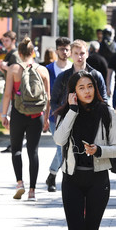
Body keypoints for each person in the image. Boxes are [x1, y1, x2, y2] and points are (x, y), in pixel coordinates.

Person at [52, 71, 116, 230]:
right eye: (81, 87)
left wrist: (99, 150)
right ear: (74, 92)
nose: (87, 91)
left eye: (90, 86)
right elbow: (59, 140)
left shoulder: (107, 112)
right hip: (72, 179)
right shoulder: (67, 113)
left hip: (98, 180)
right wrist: (72, 110)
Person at [46, 40, 108, 192]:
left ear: (87, 54)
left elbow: (104, 100)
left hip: (89, 121)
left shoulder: (95, 75)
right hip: (66, 121)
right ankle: (63, 180)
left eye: (82, 53)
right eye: (76, 54)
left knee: (86, 153)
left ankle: (86, 184)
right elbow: (53, 100)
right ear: (71, 55)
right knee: (64, 151)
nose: (79, 57)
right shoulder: (64, 77)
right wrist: (63, 115)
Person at [0, 37, 52, 201]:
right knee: (33, 151)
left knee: (16, 149)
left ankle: (20, 183)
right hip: (36, 115)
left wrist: (3, 113)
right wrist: (47, 118)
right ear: (33, 52)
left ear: (20, 53)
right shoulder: (43, 70)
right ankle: (32, 191)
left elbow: (8, 94)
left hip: (18, 113)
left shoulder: (13, 69)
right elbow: (48, 97)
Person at [44, 38, 73, 192]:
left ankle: (53, 174)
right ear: (56, 51)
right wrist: (45, 117)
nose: (64, 52)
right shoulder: (49, 69)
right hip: (55, 116)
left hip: (72, 115)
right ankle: (54, 175)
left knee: (69, 148)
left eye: (67, 49)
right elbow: (46, 95)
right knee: (61, 148)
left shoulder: (74, 68)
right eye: (61, 49)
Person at [0, 31, 21, 153]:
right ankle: (14, 142)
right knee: (4, 115)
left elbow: (17, 71)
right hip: (10, 88)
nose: (4, 43)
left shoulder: (14, 54)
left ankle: (15, 143)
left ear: (13, 41)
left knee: (6, 115)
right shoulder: (9, 54)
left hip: (13, 90)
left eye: (7, 40)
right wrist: (3, 69)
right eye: (3, 40)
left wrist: (5, 67)